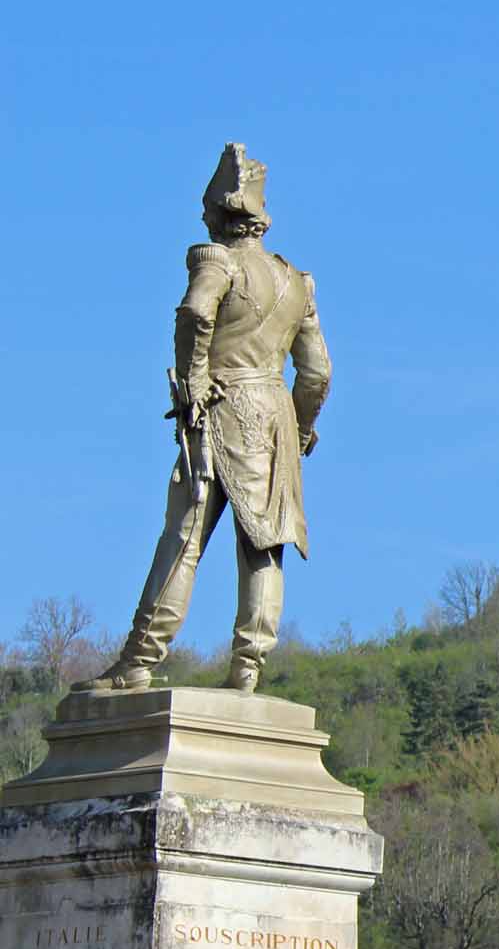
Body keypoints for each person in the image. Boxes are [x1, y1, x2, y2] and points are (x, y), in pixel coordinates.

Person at [76, 143, 331, 694]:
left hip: (220, 411)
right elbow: (317, 374)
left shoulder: (217, 262)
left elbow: (195, 311)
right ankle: (248, 666)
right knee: (263, 545)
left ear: (222, 214)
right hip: (275, 421)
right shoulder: (296, 284)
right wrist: (303, 427)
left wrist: (194, 382)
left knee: (185, 536)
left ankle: (139, 661)